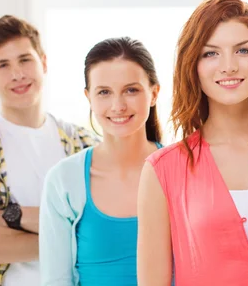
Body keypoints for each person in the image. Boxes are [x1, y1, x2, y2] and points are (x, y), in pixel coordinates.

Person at [137, 0, 248, 286]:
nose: (228, 66)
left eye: (243, 51)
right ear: (192, 65)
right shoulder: (162, 170)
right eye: (211, 53)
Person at [0, 15, 98, 285]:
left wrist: (10, 217)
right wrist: (72, 235)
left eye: (25, 59)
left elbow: (107, 229)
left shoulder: (84, 145)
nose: (17, 74)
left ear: (44, 62)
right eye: (3, 65)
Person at [39, 37, 163, 285]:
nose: (118, 105)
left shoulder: (182, 169)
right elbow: (56, 279)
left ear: (153, 93)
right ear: (88, 97)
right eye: (104, 92)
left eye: (131, 90)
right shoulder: (64, 180)